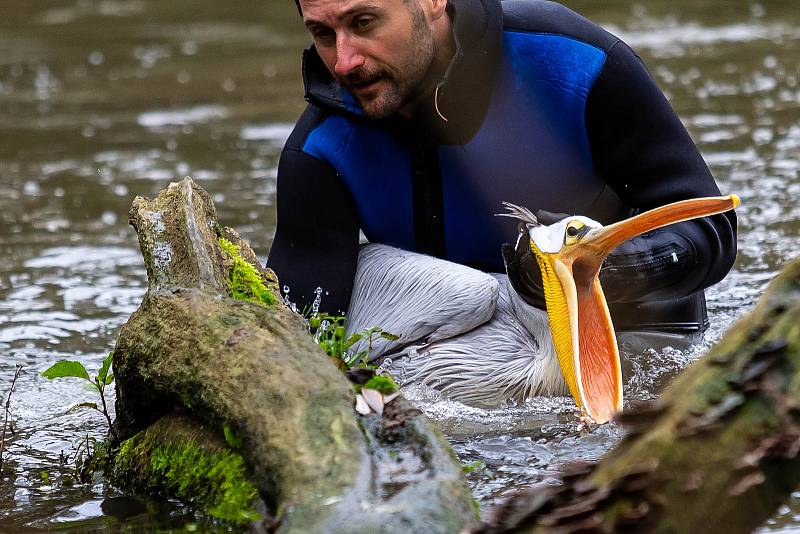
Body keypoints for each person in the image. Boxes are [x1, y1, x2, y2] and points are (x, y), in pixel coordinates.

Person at [266, 0, 737, 342]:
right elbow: (301, 332)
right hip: (466, 352)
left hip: (636, 336)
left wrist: (598, 265)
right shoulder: (320, 149)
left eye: (363, 22)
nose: (344, 61)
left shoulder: (575, 62)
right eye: (323, 34)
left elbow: (709, 228)